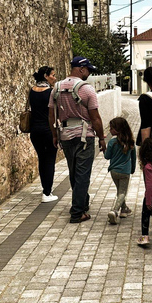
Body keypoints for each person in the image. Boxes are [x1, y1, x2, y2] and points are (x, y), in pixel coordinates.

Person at [48, 56, 107, 223]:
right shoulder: (87, 89)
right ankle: (77, 212)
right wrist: (102, 138)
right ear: (81, 69)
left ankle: (82, 202)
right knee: (82, 174)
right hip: (84, 136)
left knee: (74, 171)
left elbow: (51, 114)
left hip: (65, 135)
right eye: (88, 70)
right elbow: (95, 117)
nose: (88, 73)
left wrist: (54, 135)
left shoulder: (56, 88)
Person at [29, 65, 59, 203]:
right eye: (52, 75)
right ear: (46, 76)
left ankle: (45, 189)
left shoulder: (32, 91)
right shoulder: (51, 92)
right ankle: (47, 192)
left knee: (42, 159)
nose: (55, 77)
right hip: (48, 131)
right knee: (50, 160)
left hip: (35, 131)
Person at [105, 117, 136, 224]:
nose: (109, 130)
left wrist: (105, 149)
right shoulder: (130, 141)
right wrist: (132, 169)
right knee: (122, 192)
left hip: (114, 171)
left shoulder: (112, 142)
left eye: (112, 128)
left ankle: (124, 209)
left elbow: (107, 156)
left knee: (119, 191)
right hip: (125, 171)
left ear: (117, 129)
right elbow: (134, 157)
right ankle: (115, 211)